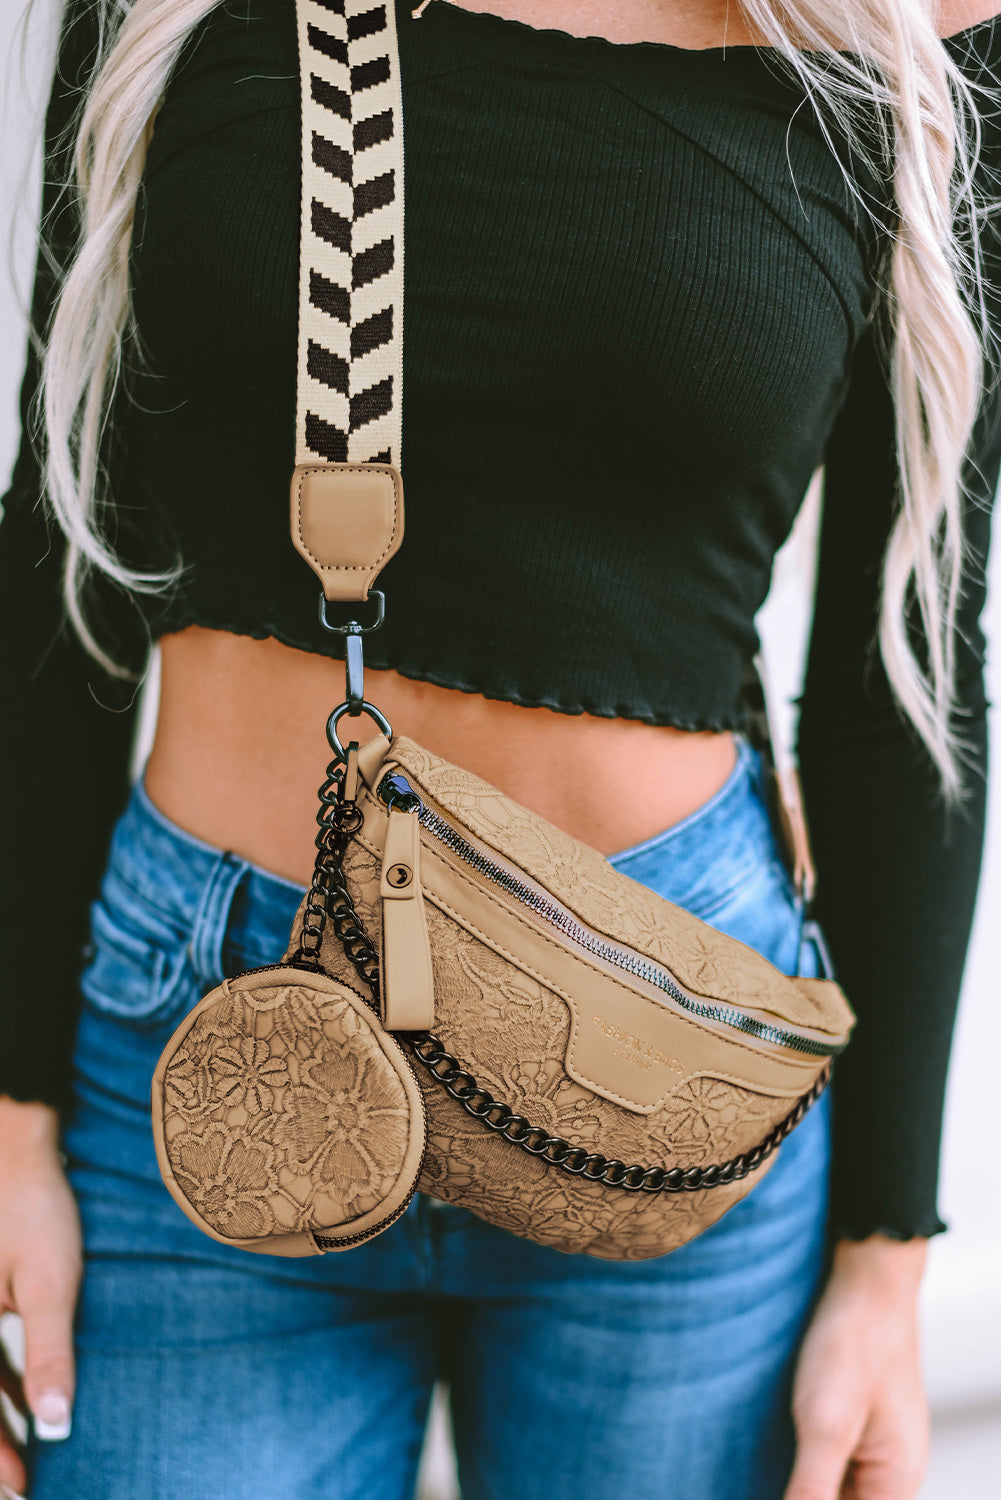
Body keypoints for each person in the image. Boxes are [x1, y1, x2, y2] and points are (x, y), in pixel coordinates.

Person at [1, 0, 1000, 1496]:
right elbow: (61, 557)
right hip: (196, 1056)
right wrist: (7, 1125)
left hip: (669, 1071)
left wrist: (883, 1261)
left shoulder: (917, 28)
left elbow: (905, 675)